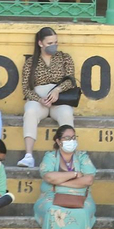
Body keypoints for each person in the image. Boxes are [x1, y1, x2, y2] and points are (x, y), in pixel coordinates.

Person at [35, 125, 97, 229]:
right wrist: (74, 175)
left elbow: (88, 180)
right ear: (58, 141)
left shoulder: (82, 157)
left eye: (73, 137)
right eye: (67, 138)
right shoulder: (50, 156)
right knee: (52, 210)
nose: (71, 141)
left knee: (83, 212)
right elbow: (49, 177)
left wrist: (60, 182)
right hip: (51, 196)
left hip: (81, 197)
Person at [18, 26, 77, 166]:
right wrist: (39, 99)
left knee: (67, 113)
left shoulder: (64, 58)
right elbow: (26, 89)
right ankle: (28, 156)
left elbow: (71, 80)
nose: (53, 46)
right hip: (39, 101)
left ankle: (68, 158)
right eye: (50, 43)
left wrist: (58, 90)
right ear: (40, 43)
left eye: (55, 42)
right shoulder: (31, 62)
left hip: (60, 99)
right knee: (30, 111)